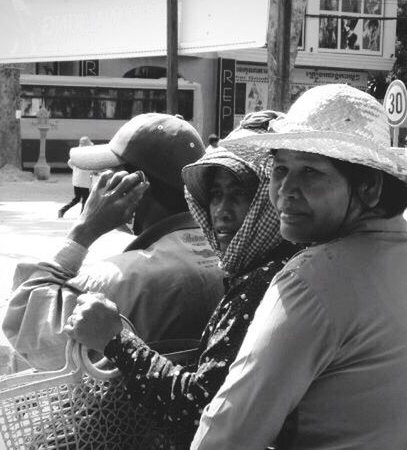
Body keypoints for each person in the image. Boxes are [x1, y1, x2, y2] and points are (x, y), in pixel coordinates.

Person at [191, 84, 407, 449]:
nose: (285, 190)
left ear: (368, 186)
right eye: (280, 169)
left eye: (310, 172)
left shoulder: (311, 278)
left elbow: (225, 437)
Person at [63, 111, 301, 447]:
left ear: (268, 198)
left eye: (239, 195)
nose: (221, 211)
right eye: (215, 194)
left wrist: (116, 338)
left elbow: (200, 406)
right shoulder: (250, 267)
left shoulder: (264, 280)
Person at [2, 113, 224, 370]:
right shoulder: (229, 259)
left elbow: (26, 330)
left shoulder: (112, 282)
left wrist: (83, 231)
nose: (97, 186)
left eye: (106, 176)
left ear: (133, 186)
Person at [58, 136, 93, 218]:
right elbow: (86, 168)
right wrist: (92, 172)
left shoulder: (76, 153)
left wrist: (75, 169)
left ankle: (63, 210)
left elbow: (69, 162)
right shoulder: (86, 155)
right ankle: (82, 215)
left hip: (76, 181)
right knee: (85, 199)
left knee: (77, 198)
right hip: (84, 182)